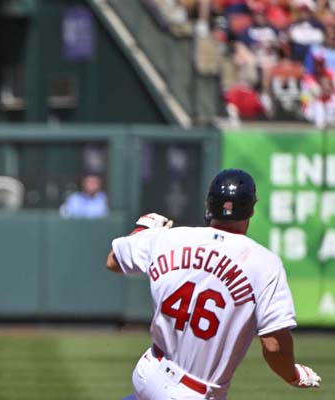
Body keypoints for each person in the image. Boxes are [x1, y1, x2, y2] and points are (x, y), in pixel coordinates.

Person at [106, 169, 321, 399]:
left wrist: (144, 230)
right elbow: (274, 345)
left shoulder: (167, 239)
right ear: (251, 209)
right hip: (192, 392)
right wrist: (292, 374)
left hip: (148, 371)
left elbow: (113, 261)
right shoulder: (265, 263)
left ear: (209, 205)